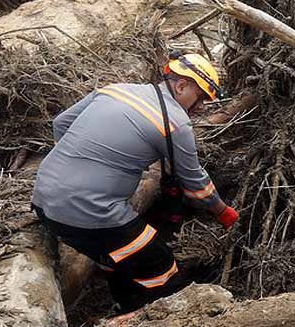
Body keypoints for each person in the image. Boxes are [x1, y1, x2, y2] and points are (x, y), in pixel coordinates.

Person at [31, 52, 240, 313]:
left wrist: (86, 165)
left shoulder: (114, 90)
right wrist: (224, 212)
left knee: (117, 256)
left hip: (42, 200)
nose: (199, 108)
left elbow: (61, 124)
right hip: (89, 212)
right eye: (199, 99)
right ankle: (163, 323)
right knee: (160, 264)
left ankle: (125, 307)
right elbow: (197, 187)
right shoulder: (175, 123)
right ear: (182, 85)